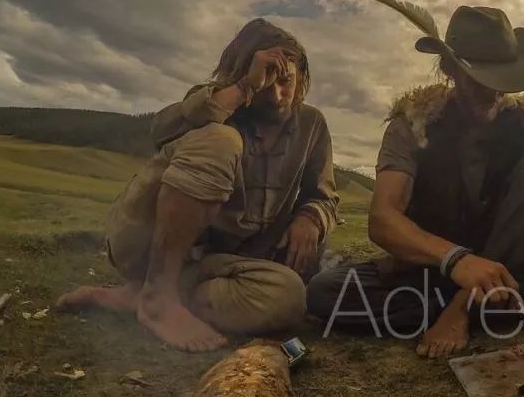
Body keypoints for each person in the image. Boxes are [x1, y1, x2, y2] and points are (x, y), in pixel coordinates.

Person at [307, 0, 524, 359]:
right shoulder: (413, 124)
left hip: (504, 267)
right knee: (323, 292)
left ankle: (469, 305)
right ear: (449, 69)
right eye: (478, 78)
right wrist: (457, 261)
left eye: (500, 78)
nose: (491, 90)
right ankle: (489, 306)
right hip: (431, 269)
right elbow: (383, 221)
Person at [57, 19, 339, 352]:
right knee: (221, 139)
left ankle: (141, 296)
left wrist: (310, 217)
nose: (278, 95)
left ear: (301, 77)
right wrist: (245, 87)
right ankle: (159, 294)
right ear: (242, 72)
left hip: (219, 266)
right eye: (268, 82)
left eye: (287, 80)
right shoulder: (215, 103)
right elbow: (160, 131)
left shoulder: (311, 124)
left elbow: (324, 196)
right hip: (144, 243)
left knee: (290, 298)